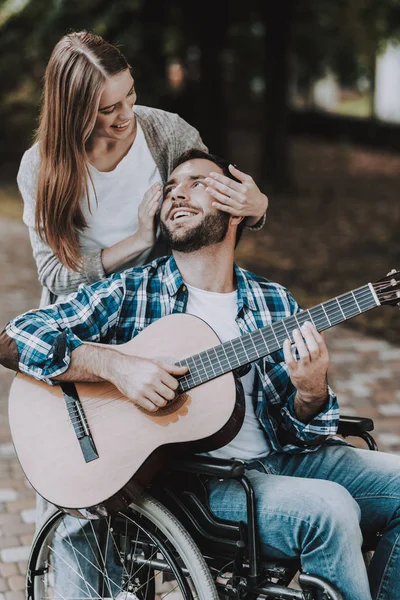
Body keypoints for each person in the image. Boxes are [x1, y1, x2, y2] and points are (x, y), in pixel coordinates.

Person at [3, 149, 400, 600]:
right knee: (330, 510)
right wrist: (116, 366)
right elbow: (16, 336)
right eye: (171, 188)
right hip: (200, 484)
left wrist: (311, 391)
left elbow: (298, 432)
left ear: (234, 208)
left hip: (281, 461)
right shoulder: (134, 290)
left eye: (197, 183)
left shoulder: (274, 302)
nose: (177, 194)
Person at [16, 30, 268, 307]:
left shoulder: (170, 135)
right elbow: (54, 274)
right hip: (79, 311)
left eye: (130, 93)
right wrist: (137, 242)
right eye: (108, 109)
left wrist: (255, 210)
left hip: (157, 306)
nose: (126, 114)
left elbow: (212, 221)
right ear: (74, 111)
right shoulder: (39, 167)